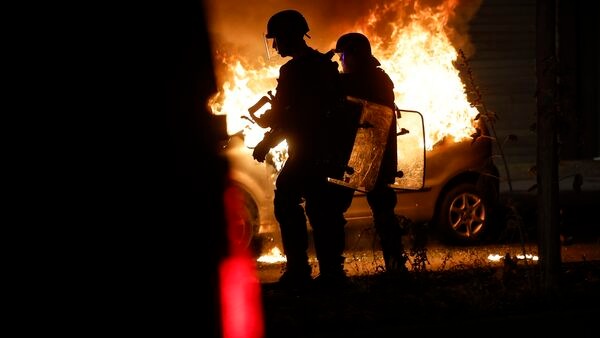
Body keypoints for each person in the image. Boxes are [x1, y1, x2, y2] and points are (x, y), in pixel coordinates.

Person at [252, 9, 354, 290]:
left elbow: (290, 117)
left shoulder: (294, 70)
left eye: (277, 39)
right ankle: (332, 272)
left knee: (287, 201)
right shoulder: (324, 65)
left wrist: (266, 140)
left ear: (289, 36)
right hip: (329, 151)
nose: (275, 45)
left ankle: (300, 269)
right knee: (323, 210)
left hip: (310, 151)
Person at [334, 32, 408, 273]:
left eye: (343, 55)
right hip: (371, 155)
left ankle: (334, 271)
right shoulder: (380, 79)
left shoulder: (366, 81)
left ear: (355, 55)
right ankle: (396, 267)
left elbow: (351, 105)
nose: (342, 61)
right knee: (383, 212)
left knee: (334, 211)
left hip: (365, 155)